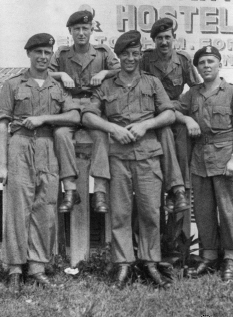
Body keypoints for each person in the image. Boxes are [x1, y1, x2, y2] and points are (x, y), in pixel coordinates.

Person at [82, 30, 176, 288]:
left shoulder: (152, 82)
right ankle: (124, 265)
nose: (131, 59)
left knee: (150, 212)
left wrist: (147, 125)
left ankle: (150, 264)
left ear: (140, 55)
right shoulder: (106, 86)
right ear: (119, 56)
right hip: (119, 158)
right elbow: (88, 116)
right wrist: (113, 129)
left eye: (136, 54)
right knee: (120, 214)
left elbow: (169, 114)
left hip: (148, 156)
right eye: (126, 54)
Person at [0, 33, 80, 294]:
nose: (43, 57)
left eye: (47, 53)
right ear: (29, 54)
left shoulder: (57, 88)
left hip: (47, 148)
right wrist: (1, 162)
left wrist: (44, 119)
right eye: (38, 52)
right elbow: (2, 123)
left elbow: (75, 115)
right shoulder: (12, 84)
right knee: (18, 208)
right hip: (20, 146)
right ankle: (15, 268)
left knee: (45, 208)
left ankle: (37, 267)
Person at [175, 45, 233, 281]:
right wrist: (186, 118)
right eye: (202, 63)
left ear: (219, 64)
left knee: (228, 210)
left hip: (226, 156)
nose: (206, 66)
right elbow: (173, 111)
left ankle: (230, 257)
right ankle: (209, 257)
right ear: (197, 68)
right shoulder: (192, 94)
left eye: (210, 62)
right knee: (203, 211)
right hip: (200, 159)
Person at [49, 10, 120, 213]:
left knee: (100, 134)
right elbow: (44, 71)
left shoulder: (102, 52)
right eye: (77, 29)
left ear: (91, 30)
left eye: (85, 29)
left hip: (94, 104)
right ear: (70, 31)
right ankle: (70, 189)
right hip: (69, 104)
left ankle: (99, 191)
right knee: (61, 134)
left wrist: (105, 72)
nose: (81, 33)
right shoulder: (62, 54)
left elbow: (121, 69)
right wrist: (61, 74)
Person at [141, 17, 201, 213]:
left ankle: (179, 190)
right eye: (159, 38)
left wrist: (193, 113)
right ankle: (176, 191)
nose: (164, 42)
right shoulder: (146, 60)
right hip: (155, 113)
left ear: (174, 38)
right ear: (154, 41)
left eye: (167, 37)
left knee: (183, 134)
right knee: (166, 132)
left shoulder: (182, 60)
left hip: (175, 109)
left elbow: (197, 89)